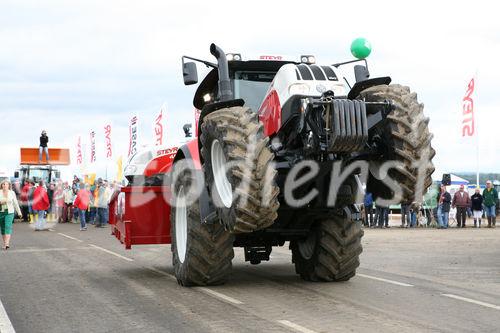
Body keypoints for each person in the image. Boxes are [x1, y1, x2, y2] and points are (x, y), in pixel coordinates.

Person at [0, 179, 22, 249]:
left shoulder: (12, 193)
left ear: (9, 185)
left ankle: (7, 244)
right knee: (3, 228)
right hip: (1, 212)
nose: (4, 185)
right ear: (1, 185)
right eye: (3, 184)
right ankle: (4, 243)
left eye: (6, 184)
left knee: (7, 226)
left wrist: (19, 212)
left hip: (10, 212)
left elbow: (15, 203)